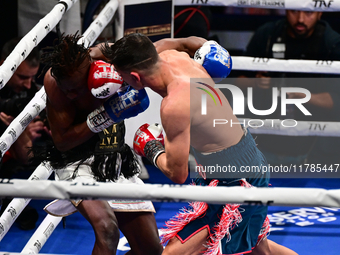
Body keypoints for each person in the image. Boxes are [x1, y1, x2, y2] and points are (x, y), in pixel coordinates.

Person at [102, 33, 297, 255]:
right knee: (260, 249)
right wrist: (210, 48)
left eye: (122, 78)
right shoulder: (174, 56)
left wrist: (151, 148)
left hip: (236, 183)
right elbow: (191, 41)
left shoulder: (174, 105)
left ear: (136, 78)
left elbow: (178, 174)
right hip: (242, 161)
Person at [38, 33, 163, 255]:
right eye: (66, 89)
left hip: (114, 160)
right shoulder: (55, 83)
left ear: (92, 70)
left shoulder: (108, 57)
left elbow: (152, 52)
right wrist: (108, 114)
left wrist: (196, 46)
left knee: (150, 250)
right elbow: (62, 142)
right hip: (77, 163)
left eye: (76, 87)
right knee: (107, 230)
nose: (71, 94)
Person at [241, 10, 340, 167]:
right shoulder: (267, 34)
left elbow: (337, 99)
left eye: (308, 12)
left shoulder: (332, 43)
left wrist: (305, 96)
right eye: (294, 11)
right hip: (262, 144)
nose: (300, 19)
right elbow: (233, 81)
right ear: (286, 9)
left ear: (320, 12)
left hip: (313, 151)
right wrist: (255, 83)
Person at [0, 37, 50, 230]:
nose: (28, 85)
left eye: (32, 77)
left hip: (16, 157)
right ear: (6, 65)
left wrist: (35, 124)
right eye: (22, 77)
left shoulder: (30, 91)